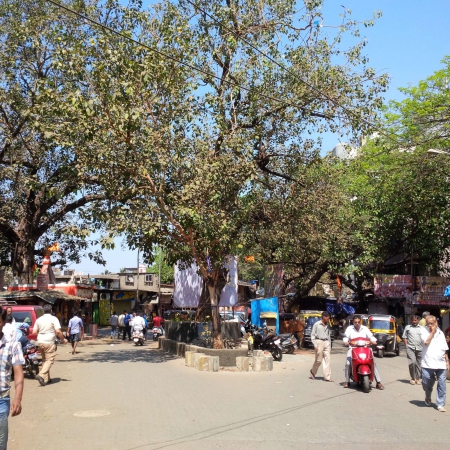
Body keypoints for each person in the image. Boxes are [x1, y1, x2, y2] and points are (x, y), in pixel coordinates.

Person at [0, 307, 24, 449]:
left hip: (1, 400)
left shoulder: (12, 345)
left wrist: (18, 398)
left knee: (1, 443)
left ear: (3, 322)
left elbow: (18, 372)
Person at [343, 315, 384, 390]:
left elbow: (371, 336)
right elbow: (346, 337)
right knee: (348, 363)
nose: (357, 324)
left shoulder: (365, 328)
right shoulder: (349, 329)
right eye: (355, 322)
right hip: (353, 348)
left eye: (359, 322)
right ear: (353, 322)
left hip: (365, 348)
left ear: (361, 322)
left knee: (373, 363)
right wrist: (345, 341)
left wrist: (373, 340)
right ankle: (347, 381)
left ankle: (378, 382)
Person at [33, 304, 67, 386]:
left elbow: (34, 332)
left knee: (45, 360)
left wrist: (42, 335)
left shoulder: (39, 319)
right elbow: (58, 331)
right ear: (51, 311)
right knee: (50, 360)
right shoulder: (53, 318)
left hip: (40, 342)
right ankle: (41, 375)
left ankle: (46, 379)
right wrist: (63, 339)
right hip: (49, 342)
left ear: (43, 311)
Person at [420, 315, 449, 412]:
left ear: (436, 323)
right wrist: (432, 332)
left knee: (442, 384)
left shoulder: (440, 333)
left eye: (432, 323)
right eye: (428, 324)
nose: (430, 325)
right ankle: (428, 396)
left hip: (441, 364)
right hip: (428, 363)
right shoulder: (423, 331)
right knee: (426, 382)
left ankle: (440, 404)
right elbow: (426, 342)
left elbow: (444, 348)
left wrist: (447, 361)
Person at [309, 311, 333, 382]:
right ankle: (313, 371)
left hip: (326, 342)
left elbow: (329, 336)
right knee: (318, 360)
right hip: (319, 342)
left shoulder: (328, 325)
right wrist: (315, 345)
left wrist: (330, 345)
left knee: (327, 360)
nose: (328, 319)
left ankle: (327, 377)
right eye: (328, 318)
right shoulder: (317, 324)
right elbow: (313, 335)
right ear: (324, 317)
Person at [403, 315, 423, 385]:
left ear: (418, 321)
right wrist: (406, 346)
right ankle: (412, 378)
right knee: (412, 362)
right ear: (411, 320)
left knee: (419, 364)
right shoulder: (408, 327)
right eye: (413, 320)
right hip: (410, 348)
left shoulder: (422, 328)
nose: (414, 322)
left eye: (415, 320)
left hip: (420, 348)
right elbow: (405, 337)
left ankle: (417, 378)